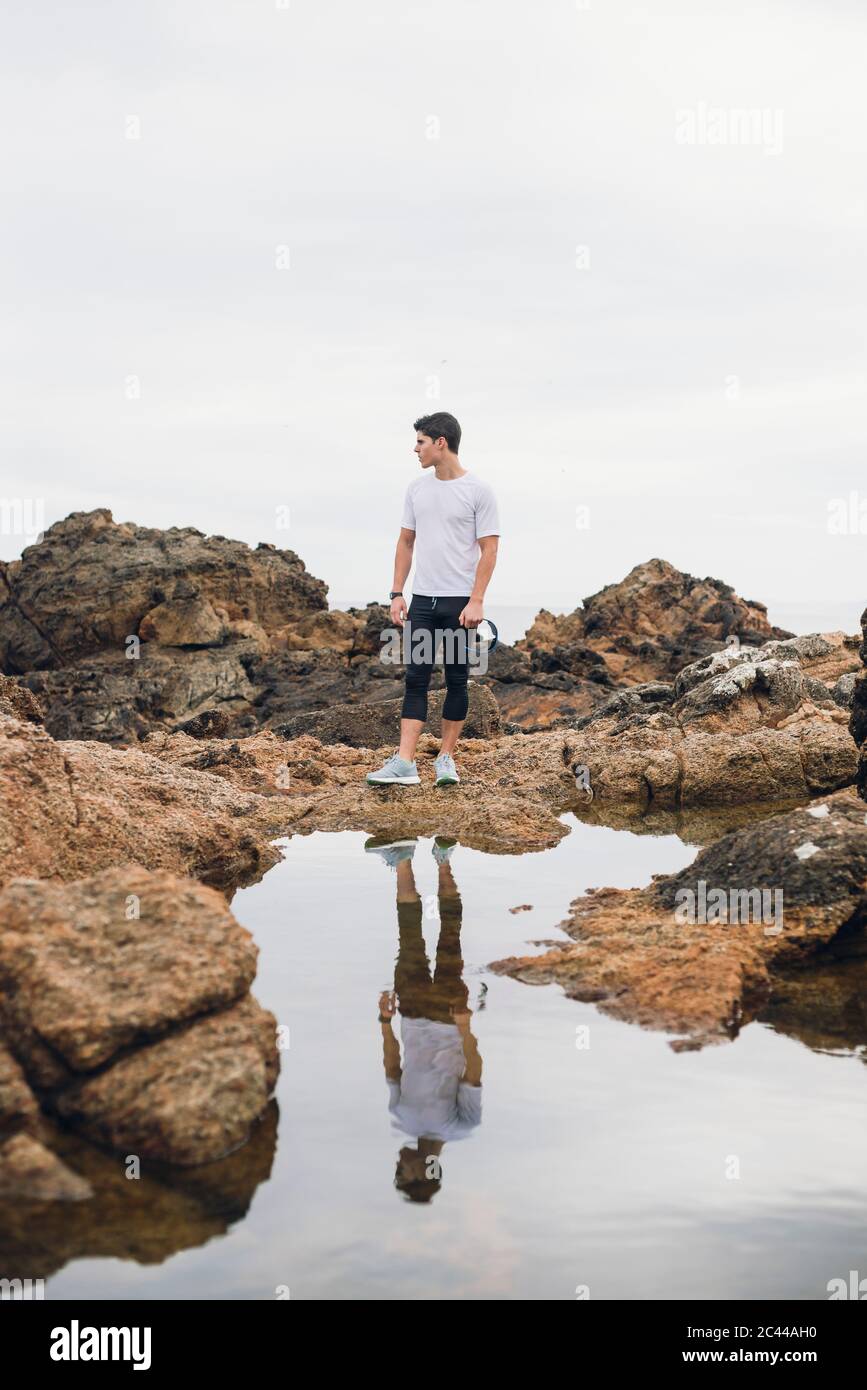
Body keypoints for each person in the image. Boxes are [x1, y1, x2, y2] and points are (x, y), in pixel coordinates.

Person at [366, 411, 500, 788]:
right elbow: (405, 542)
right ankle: (405, 763)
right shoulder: (417, 489)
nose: (415, 449)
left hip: (459, 604)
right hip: (423, 600)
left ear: (441, 442)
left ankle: (446, 758)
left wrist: (477, 600)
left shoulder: (478, 491)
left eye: (421, 442)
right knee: (415, 679)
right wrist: (396, 593)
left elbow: (489, 550)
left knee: (457, 681)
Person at [366, 833, 483, 1202]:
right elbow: (473, 1073)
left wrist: (386, 1024)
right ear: (427, 1171)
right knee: (450, 938)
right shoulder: (462, 1126)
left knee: (409, 938)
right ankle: (443, 861)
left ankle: (402, 859)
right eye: (404, 1173)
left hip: (412, 1011)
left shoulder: (400, 1120)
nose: (399, 1166)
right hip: (449, 1016)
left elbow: (392, 1069)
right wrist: (465, 1026)